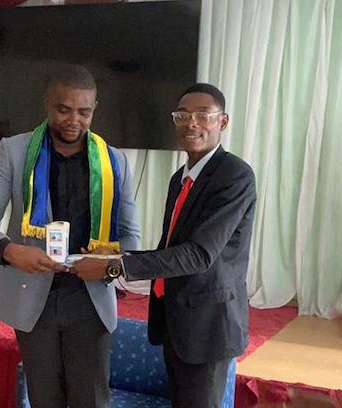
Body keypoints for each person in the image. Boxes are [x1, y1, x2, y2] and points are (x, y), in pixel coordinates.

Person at [72, 83, 257, 408]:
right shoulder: (180, 179)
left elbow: (198, 255)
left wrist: (113, 267)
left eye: (203, 115)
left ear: (223, 121)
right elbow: (170, 250)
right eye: (182, 116)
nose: (191, 123)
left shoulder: (235, 175)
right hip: (176, 320)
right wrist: (115, 254)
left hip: (208, 327)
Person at [0, 63, 140, 408]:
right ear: (47, 103)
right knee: (45, 398)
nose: (73, 120)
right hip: (32, 296)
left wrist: (109, 265)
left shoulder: (114, 161)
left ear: (94, 110)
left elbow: (130, 235)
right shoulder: (14, 151)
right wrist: (10, 250)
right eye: (63, 109)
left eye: (84, 112)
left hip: (90, 298)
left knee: (91, 399)